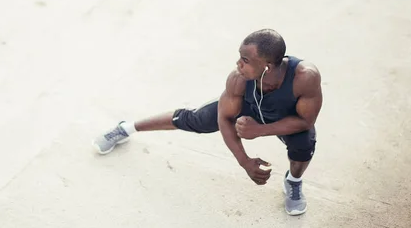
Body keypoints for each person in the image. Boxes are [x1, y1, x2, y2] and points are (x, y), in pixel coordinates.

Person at [92, 28, 323, 216]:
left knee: (304, 144)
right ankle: (126, 128)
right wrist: (244, 161)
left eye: (245, 60)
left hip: (287, 117)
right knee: (195, 119)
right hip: (249, 107)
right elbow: (224, 117)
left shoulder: (304, 77)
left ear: (267, 67)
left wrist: (260, 130)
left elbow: (305, 120)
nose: (237, 64)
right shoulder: (238, 79)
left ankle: (293, 181)